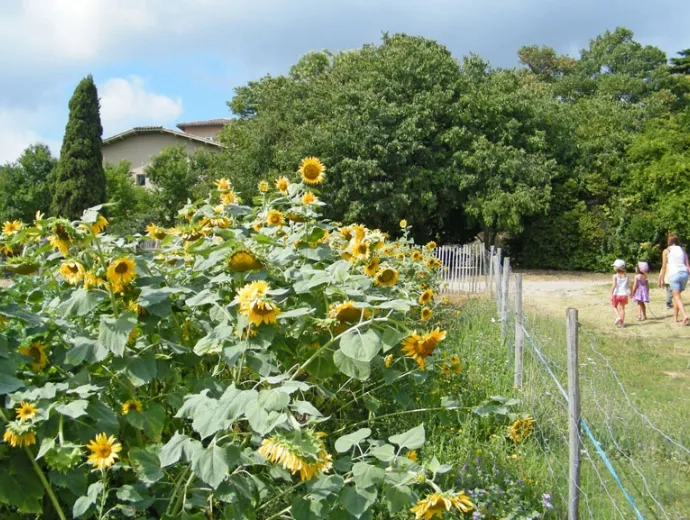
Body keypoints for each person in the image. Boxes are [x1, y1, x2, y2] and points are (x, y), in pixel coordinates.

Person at [658, 235, 690, 326]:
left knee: (676, 297)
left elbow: (664, 267)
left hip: (674, 274)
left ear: (669, 242)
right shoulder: (683, 250)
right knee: (677, 297)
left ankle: (684, 316)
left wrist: (662, 279)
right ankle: (675, 318)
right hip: (684, 274)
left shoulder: (666, 251)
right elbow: (687, 265)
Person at [611, 259, 629, 328]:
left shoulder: (615, 276)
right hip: (624, 294)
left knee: (614, 306)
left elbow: (614, 285)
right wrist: (631, 292)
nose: (613, 268)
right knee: (622, 309)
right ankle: (622, 324)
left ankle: (618, 317)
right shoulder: (626, 276)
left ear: (617, 267)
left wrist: (611, 294)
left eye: (614, 266)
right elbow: (629, 285)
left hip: (616, 294)